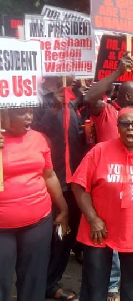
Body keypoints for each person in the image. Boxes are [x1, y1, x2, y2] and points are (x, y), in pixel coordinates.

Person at [72, 107, 133, 301]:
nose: (130, 129)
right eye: (125, 123)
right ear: (117, 126)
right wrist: (93, 219)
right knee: (94, 288)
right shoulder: (99, 151)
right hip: (98, 230)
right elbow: (79, 186)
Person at [0, 107, 70, 301]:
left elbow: (49, 175)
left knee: (34, 279)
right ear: (3, 115)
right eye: (21, 112)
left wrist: (63, 207)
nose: (29, 116)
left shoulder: (38, 138)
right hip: (2, 228)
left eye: (29, 111)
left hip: (38, 222)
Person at [33, 83, 86, 301]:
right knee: (51, 238)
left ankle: (51, 280)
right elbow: (30, 130)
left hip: (73, 182)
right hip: (49, 182)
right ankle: (43, 284)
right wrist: (52, 110)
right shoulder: (36, 97)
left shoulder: (73, 97)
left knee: (65, 236)